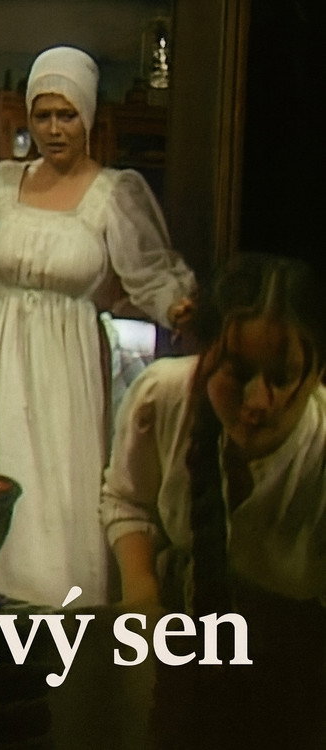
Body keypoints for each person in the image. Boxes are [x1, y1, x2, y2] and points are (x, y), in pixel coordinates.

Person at [0, 45, 195, 608]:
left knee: (55, 496)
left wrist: (177, 307)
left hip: (66, 363)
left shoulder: (114, 193)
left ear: (88, 118)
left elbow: (151, 274)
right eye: (43, 115)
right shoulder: (2, 185)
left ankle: (60, 623)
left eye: (67, 115)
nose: (54, 129)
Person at [100, 252, 325, 748]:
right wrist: (142, 597)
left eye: (282, 377)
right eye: (237, 372)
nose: (257, 401)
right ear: (203, 355)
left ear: (318, 374)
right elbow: (128, 500)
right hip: (181, 650)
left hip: (300, 679)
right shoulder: (165, 397)